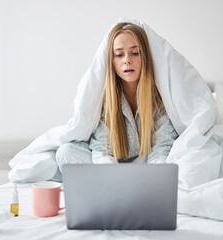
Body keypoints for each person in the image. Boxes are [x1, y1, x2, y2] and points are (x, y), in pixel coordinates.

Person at [56, 22, 178, 170]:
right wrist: (114, 177)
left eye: (135, 53)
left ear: (145, 57)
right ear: (112, 61)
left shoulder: (159, 97)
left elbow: (162, 147)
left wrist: (156, 174)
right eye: (119, 55)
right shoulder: (104, 99)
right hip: (111, 167)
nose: (127, 60)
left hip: (144, 164)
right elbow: (102, 151)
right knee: (65, 152)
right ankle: (117, 182)